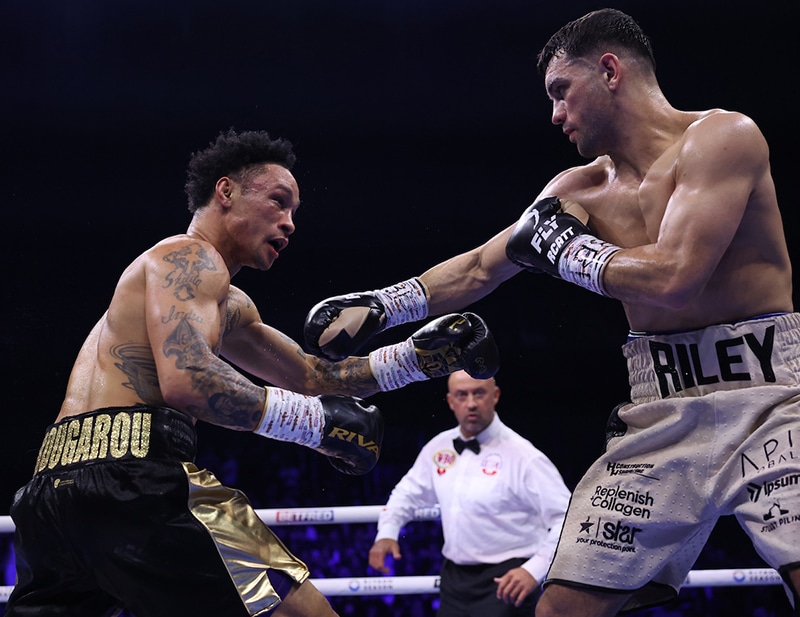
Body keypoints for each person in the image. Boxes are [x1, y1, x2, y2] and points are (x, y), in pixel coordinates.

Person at [304, 8, 800, 617]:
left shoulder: (724, 137)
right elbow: (483, 266)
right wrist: (384, 304)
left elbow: (676, 277)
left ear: (610, 70)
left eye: (562, 92)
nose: (555, 115)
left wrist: (568, 250)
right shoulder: (575, 190)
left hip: (772, 399)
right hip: (662, 413)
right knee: (560, 609)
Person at [5, 128, 500, 617]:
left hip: (49, 494)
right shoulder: (188, 257)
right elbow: (188, 380)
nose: (289, 223)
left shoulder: (223, 300)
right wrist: (315, 425)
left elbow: (311, 376)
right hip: (132, 481)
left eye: (293, 212)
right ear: (226, 191)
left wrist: (415, 358)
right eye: (278, 202)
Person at [369, 370, 570, 616]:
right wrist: (387, 532)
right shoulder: (439, 447)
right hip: (454, 579)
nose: (471, 403)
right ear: (451, 401)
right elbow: (407, 493)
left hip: (509, 578)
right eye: (462, 395)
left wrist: (534, 569)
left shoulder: (525, 456)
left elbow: (567, 519)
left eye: (479, 393)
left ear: (495, 395)